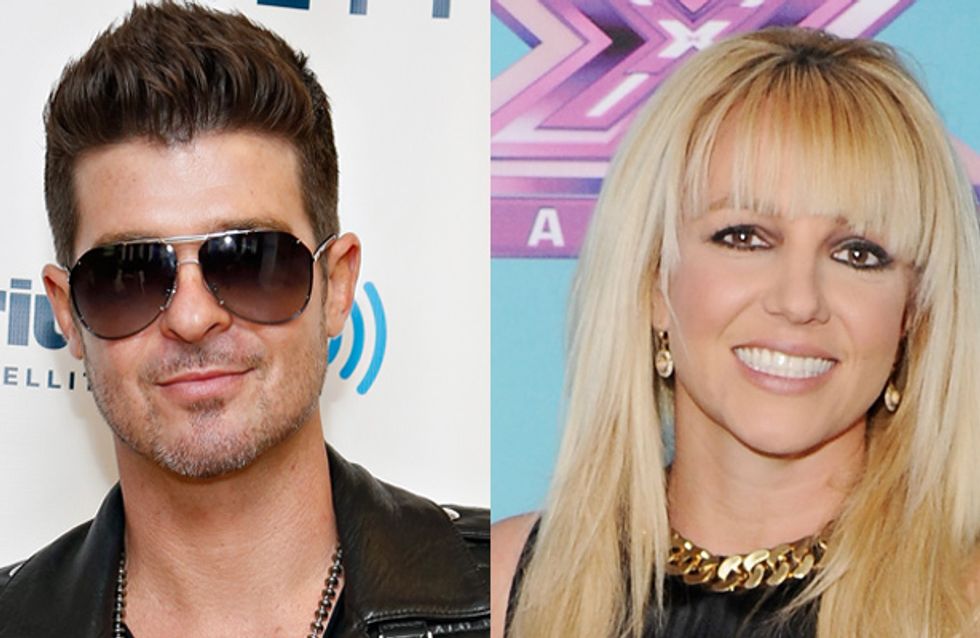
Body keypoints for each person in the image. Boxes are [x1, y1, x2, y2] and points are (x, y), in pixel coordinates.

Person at [0, 3, 489, 637]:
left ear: (336, 286)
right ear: (67, 312)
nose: (192, 317)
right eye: (129, 274)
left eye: (250, 261)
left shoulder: (516, 597)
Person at [492, 27, 980, 638]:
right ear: (654, 283)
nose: (798, 301)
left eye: (857, 253)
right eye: (744, 237)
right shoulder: (508, 588)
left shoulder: (966, 603)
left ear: (912, 312)